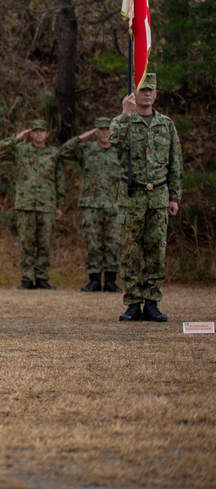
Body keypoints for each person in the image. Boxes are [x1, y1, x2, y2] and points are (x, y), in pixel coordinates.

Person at [109, 73, 182, 322]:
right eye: (142, 90)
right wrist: (125, 115)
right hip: (131, 196)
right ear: (134, 94)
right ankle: (132, 303)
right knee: (129, 252)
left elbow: (175, 163)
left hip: (158, 196)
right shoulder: (123, 120)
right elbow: (115, 143)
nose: (147, 94)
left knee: (155, 251)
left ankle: (152, 302)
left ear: (156, 94)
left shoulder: (166, 124)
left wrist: (175, 196)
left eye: (151, 90)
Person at [0, 119, 66, 290]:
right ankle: (27, 278)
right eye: (35, 131)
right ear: (31, 133)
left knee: (44, 243)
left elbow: (60, 180)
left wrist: (60, 205)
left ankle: (42, 278)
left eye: (42, 131)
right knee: (27, 242)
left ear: (47, 134)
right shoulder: (21, 149)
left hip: (46, 204)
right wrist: (18, 138)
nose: (38, 134)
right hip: (25, 203)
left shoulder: (54, 154)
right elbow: (0, 150)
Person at [59, 117, 122, 293]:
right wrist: (83, 137)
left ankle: (110, 281)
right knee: (92, 243)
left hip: (113, 205)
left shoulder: (119, 151)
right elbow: (63, 151)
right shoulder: (87, 150)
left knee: (113, 243)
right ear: (96, 131)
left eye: (107, 129)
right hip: (91, 205)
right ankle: (93, 280)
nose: (104, 132)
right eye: (100, 129)